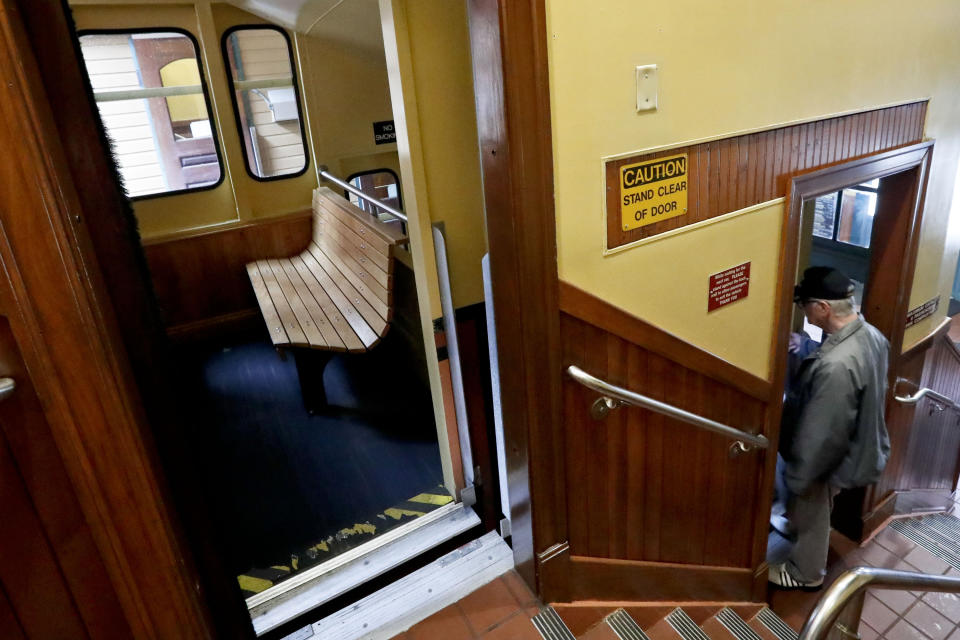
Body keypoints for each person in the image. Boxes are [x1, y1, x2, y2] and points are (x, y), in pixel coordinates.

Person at [768, 266, 890, 590]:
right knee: (818, 505)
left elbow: (821, 434)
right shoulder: (872, 336)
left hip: (831, 457)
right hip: (858, 444)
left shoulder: (836, 365)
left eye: (804, 305)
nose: (802, 312)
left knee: (812, 507)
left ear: (822, 308)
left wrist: (798, 477)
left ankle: (805, 574)